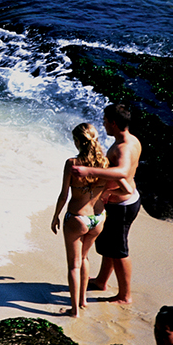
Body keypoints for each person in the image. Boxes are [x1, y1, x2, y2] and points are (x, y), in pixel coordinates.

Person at [50, 123, 124, 317]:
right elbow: (124, 185)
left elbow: (63, 195)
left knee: (74, 264)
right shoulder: (105, 163)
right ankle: (83, 301)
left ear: (77, 142)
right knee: (84, 258)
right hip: (98, 218)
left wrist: (56, 216)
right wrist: (106, 192)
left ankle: (74, 311)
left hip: (77, 218)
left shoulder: (72, 163)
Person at [73, 104, 142, 304]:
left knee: (119, 251)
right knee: (111, 246)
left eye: (104, 121)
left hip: (123, 205)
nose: (103, 124)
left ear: (113, 122)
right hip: (124, 200)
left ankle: (125, 295)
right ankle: (102, 281)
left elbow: (121, 172)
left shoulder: (123, 147)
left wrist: (89, 172)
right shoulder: (130, 140)